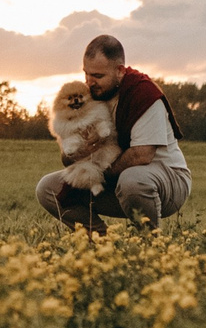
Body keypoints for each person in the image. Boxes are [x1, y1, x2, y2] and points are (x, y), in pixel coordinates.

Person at [34, 34, 190, 230]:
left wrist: (98, 173)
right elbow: (68, 157)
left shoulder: (143, 93)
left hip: (166, 181)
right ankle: (100, 241)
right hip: (114, 178)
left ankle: (149, 240)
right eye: (86, 74)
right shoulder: (89, 96)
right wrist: (81, 152)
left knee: (132, 180)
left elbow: (141, 155)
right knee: (48, 189)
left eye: (98, 76)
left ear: (120, 71)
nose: (90, 82)